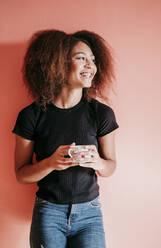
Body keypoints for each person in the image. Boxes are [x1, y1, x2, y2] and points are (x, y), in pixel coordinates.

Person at [12, 29, 119, 248]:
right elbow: (21, 174)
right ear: (58, 63)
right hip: (49, 212)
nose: (90, 66)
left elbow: (110, 167)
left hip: (90, 214)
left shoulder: (102, 114)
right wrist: (50, 163)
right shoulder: (31, 115)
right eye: (81, 58)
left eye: (93, 59)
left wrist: (97, 162)